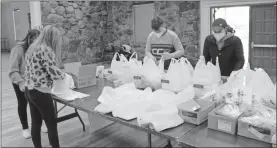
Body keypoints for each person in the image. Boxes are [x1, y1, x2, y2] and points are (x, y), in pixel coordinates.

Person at [24, 25, 66, 148]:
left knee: (36, 123)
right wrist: (65, 76)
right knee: (51, 124)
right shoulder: (45, 49)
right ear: (53, 38)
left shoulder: (32, 47)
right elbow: (53, 72)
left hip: (29, 89)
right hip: (40, 92)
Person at [8, 29, 48, 139]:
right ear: (30, 39)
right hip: (19, 80)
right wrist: (21, 82)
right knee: (22, 103)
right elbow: (12, 70)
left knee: (37, 103)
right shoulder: (18, 49)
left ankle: (39, 123)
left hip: (33, 81)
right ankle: (25, 128)